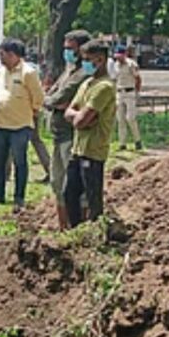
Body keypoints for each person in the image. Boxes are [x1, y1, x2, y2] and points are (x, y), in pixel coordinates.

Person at [64, 39, 116, 227]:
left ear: (100, 60)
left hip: (93, 150)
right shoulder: (87, 83)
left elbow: (79, 120)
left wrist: (79, 117)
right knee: (70, 194)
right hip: (78, 149)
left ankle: (96, 232)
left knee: (92, 197)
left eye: (88, 59)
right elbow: (69, 112)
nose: (84, 63)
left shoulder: (105, 87)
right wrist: (80, 117)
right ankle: (75, 232)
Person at [43, 29, 91, 231]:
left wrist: (52, 101)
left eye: (70, 48)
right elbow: (51, 95)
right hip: (58, 135)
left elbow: (60, 97)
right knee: (56, 182)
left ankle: (77, 226)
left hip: (72, 136)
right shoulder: (69, 70)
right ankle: (63, 226)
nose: (67, 52)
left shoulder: (83, 74)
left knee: (72, 186)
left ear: (81, 49)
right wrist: (52, 101)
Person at [0, 38, 44, 213]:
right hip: (0, 123)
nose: (0, 58)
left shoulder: (28, 73)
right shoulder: (0, 71)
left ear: (13, 55)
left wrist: (33, 112)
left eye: (3, 54)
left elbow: (38, 97)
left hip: (20, 125)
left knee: (20, 161)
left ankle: (19, 197)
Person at [111, 44, 142, 150]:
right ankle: (122, 143)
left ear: (125, 54)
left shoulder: (131, 64)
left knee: (130, 118)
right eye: (117, 56)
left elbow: (138, 79)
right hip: (119, 93)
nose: (118, 58)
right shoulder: (115, 65)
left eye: (120, 55)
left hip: (130, 92)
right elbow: (114, 79)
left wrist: (137, 92)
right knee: (120, 119)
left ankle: (137, 140)